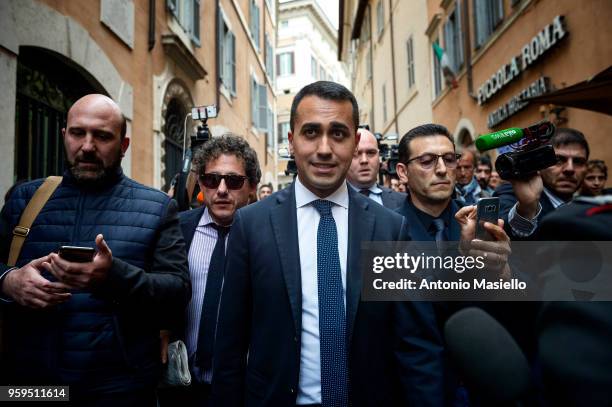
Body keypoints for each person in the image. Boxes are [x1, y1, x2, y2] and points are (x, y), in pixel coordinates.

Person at [212, 81, 444, 406]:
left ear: (353, 141)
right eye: (310, 133)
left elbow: (415, 346)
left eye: (338, 133)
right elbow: (229, 348)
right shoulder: (252, 225)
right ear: (291, 142)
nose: (324, 148)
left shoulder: (389, 230)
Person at [0, 94, 191, 405]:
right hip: (30, 388)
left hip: (119, 390)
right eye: (78, 133)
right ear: (65, 135)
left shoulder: (157, 208)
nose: (87, 146)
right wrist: (9, 281)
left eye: (102, 136)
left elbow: (177, 292)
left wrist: (112, 275)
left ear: (123, 145)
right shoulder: (25, 199)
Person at [164, 134, 260, 406]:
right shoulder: (177, 229)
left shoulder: (266, 237)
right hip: (179, 386)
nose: (220, 189)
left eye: (233, 181)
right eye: (211, 179)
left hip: (243, 391)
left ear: (252, 186)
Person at [495, 128, 590, 239]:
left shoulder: (589, 205)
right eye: (559, 160)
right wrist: (527, 208)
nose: (570, 169)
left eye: (578, 162)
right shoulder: (511, 193)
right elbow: (503, 233)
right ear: (540, 162)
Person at [346, 127, 405, 209]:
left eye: (371, 153)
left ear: (379, 156)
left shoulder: (404, 201)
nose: (364, 160)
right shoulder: (329, 203)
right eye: (356, 154)